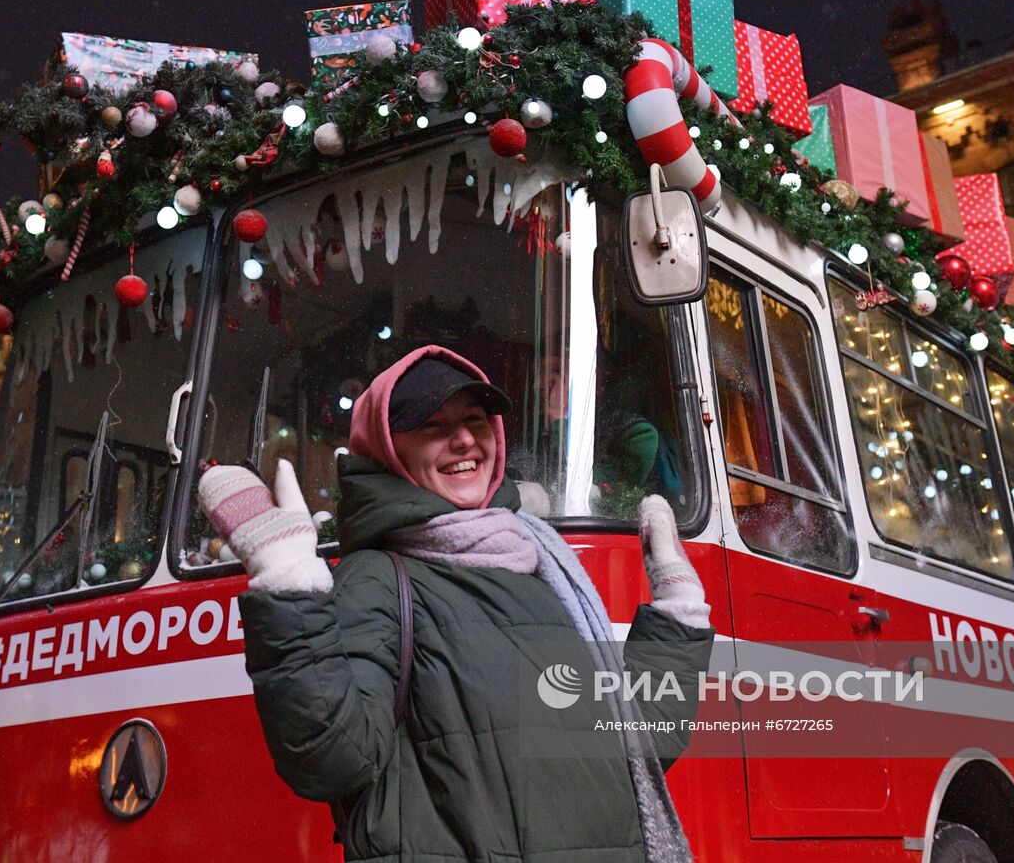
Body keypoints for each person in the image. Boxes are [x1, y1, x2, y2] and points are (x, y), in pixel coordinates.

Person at [199, 344, 714, 862]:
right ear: (389, 450)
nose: (464, 438)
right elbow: (332, 760)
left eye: (475, 419)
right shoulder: (379, 577)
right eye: (432, 425)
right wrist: (290, 588)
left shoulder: (541, 566)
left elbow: (634, 750)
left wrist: (679, 617)